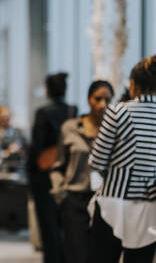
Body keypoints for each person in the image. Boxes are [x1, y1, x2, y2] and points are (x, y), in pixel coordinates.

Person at [89, 55, 156, 263]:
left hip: (114, 203)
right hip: (149, 207)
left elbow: (97, 161)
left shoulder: (119, 111)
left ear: (133, 85)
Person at [50, 80, 114, 263]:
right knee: (77, 254)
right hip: (75, 200)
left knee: (101, 255)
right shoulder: (70, 127)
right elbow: (58, 165)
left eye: (108, 100)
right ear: (88, 99)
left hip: (105, 200)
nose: (103, 104)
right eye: (98, 98)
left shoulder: (114, 130)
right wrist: (60, 193)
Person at [27, 72, 77, 263]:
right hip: (66, 173)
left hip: (43, 174)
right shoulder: (73, 110)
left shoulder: (43, 113)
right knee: (63, 223)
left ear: (48, 90)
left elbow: (36, 147)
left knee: (48, 227)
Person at [0, 105, 27, 173]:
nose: (6, 121)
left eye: (8, 118)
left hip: (16, 170)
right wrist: (6, 152)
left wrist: (19, 149)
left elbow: (26, 150)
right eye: (3, 118)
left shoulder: (19, 133)